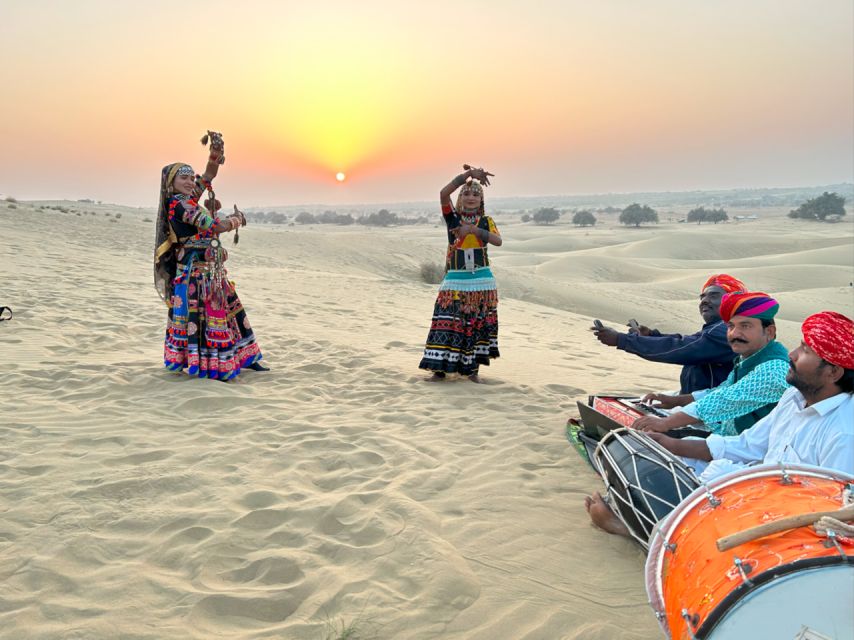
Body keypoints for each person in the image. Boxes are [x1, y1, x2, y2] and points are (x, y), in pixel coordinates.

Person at [585, 311, 854, 538]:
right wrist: (673, 445)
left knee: (689, 500)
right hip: (756, 479)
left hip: (779, 516)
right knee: (668, 466)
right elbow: (748, 444)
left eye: (805, 351)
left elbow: (830, 518)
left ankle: (636, 530)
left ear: (833, 372)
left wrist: (671, 424)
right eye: (731, 326)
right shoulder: (795, 396)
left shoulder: (844, 432)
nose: (793, 354)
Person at [153, 134, 265, 380]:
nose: (190, 182)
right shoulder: (179, 205)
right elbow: (213, 225)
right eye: (183, 178)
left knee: (228, 310)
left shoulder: (189, 198)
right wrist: (237, 220)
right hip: (195, 273)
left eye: (190, 178)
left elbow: (208, 176)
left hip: (209, 269)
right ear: (171, 183)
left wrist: (214, 156)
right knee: (206, 315)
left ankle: (245, 357)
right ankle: (213, 366)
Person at [632, 291, 790, 436]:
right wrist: (675, 401)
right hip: (726, 439)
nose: (735, 333)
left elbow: (724, 400)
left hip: (753, 457)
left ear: (769, 332)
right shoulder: (749, 358)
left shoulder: (774, 370)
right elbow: (719, 391)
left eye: (745, 326)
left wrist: (666, 423)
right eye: (731, 326)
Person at [591, 274, 745, 394]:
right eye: (702, 297)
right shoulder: (717, 328)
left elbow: (683, 348)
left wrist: (621, 340)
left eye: (713, 296)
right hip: (697, 403)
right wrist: (651, 335)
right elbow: (691, 341)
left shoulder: (726, 330)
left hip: (713, 415)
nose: (704, 301)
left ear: (732, 300)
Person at [419, 165, 502, 383]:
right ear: (460, 198)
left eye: (476, 194)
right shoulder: (453, 219)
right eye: (466, 193)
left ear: (481, 199)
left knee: (475, 325)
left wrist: (474, 230)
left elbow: (497, 241)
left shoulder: (486, 221)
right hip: (455, 280)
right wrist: (467, 176)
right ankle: (439, 370)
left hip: (482, 282)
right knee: (447, 322)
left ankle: (472, 371)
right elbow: (443, 194)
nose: (471, 197)